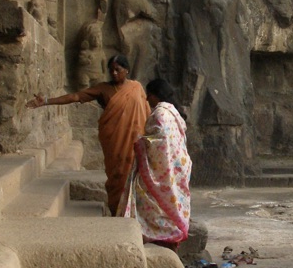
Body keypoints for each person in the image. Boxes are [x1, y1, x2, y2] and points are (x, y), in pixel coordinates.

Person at [26, 55, 148, 216]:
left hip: (134, 140)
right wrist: (47, 101)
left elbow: (146, 111)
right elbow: (76, 97)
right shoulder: (104, 88)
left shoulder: (136, 88)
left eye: (118, 70)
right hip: (114, 139)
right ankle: (116, 209)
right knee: (116, 175)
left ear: (127, 70)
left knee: (135, 174)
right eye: (111, 70)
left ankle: (134, 212)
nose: (114, 73)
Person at [119, 79, 192, 249]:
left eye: (148, 96)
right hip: (175, 167)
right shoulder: (173, 112)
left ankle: (157, 237)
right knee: (170, 204)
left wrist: (140, 142)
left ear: (155, 95)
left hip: (161, 170)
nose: (147, 100)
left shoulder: (160, 114)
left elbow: (160, 143)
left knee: (152, 203)